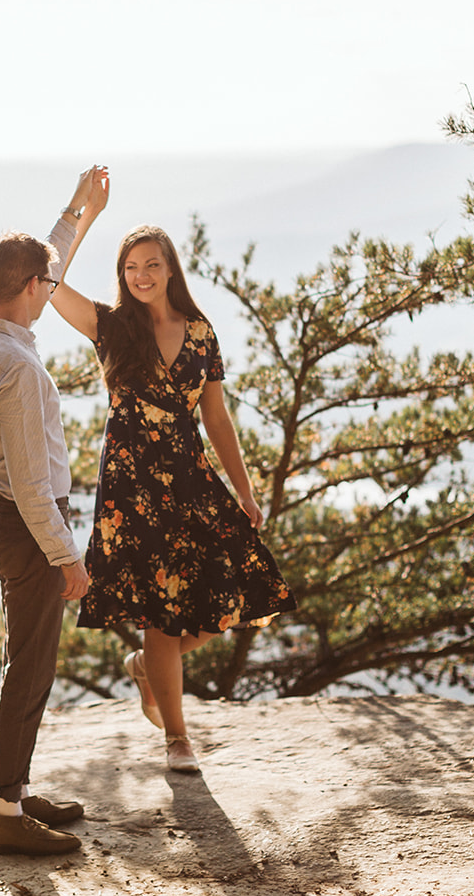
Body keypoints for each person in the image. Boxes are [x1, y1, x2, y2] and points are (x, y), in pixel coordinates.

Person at [47, 166, 296, 773]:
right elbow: (46, 281)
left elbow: (217, 419)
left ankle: (146, 668)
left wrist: (244, 489)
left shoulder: (202, 332)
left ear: (171, 269)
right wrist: (84, 210)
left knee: (236, 591)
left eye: (152, 264)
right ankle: (178, 740)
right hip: (131, 484)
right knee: (161, 611)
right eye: (131, 267)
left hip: (189, 475)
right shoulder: (109, 326)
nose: (141, 276)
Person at [0, 169, 106, 856]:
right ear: (29, 290)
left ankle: (13, 790)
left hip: (1, 516)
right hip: (26, 524)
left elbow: (42, 260)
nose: (53, 286)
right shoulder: (17, 369)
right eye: (47, 283)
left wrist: (79, 210)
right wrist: (66, 555)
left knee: (26, 660)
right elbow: (31, 480)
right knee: (31, 669)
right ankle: (7, 815)